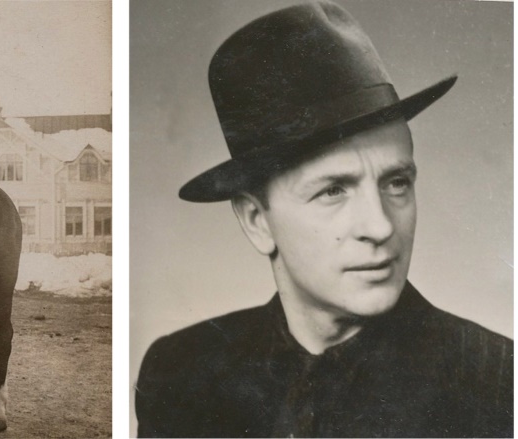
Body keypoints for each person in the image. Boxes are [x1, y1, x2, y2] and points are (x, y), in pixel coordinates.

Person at [134, 2, 512, 437]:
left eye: (396, 183)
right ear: (257, 220)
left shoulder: (496, 385)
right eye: (333, 190)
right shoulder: (181, 372)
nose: (381, 227)